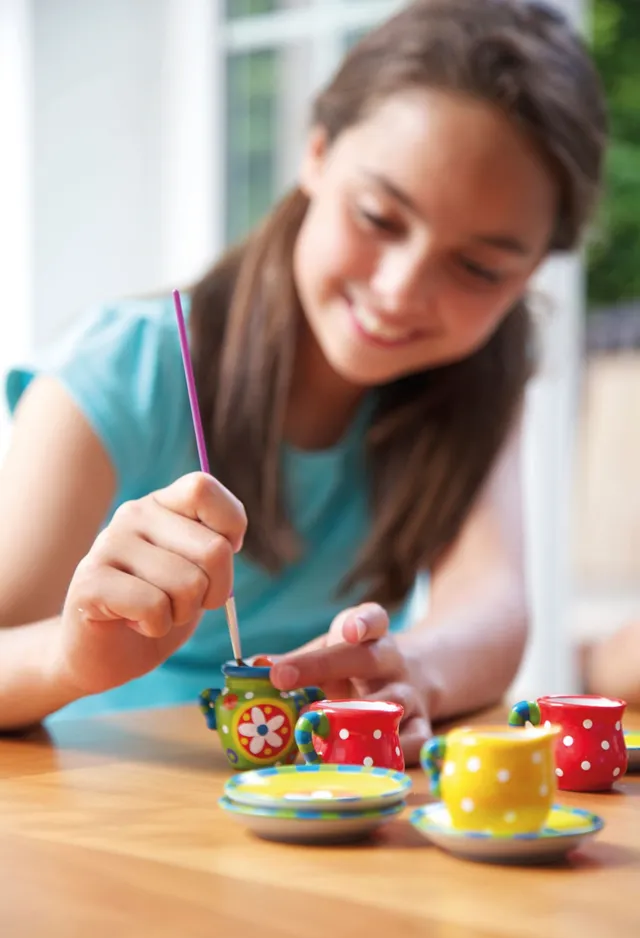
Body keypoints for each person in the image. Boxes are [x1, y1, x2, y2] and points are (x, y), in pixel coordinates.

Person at [0, 0, 607, 763]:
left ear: (530, 275)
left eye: (479, 268)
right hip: (109, 808)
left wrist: (411, 670)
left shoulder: (478, 376)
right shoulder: (125, 366)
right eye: (380, 216)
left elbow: (491, 610)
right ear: (316, 152)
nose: (400, 290)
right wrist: (68, 657)